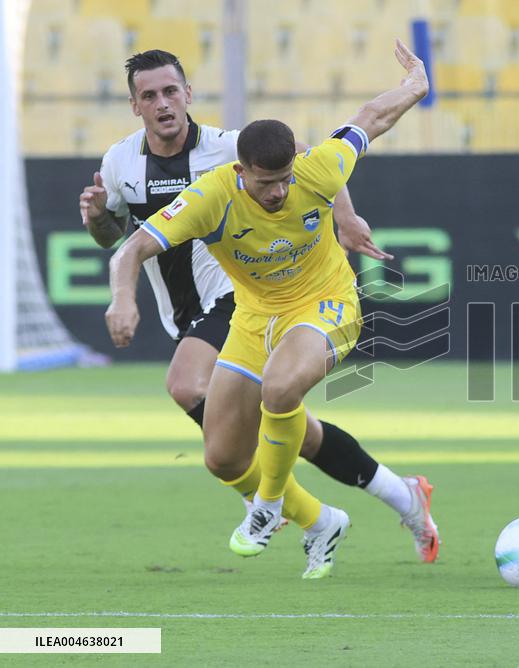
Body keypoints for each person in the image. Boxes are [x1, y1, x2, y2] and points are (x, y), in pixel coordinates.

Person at [81, 50, 436, 566]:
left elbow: (359, 127)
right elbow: (123, 242)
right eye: (150, 95)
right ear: (135, 105)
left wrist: (348, 214)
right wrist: (111, 266)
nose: (278, 191)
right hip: (245, 311)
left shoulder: (237, 147)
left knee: (220, 385)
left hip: (269, 299)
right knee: (236, 450)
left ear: (188, 93)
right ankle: (382, 502)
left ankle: (268, 503)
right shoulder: (143, 170)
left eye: (171, 91)